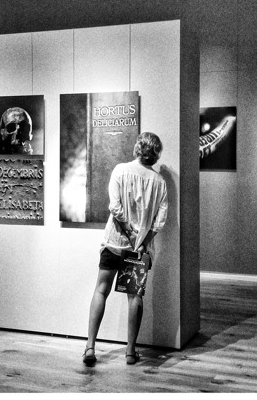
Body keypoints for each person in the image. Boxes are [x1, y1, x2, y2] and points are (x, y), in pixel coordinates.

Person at [83, 132, 168, 366]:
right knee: (135, 296)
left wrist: (128, 231)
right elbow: (160, 222)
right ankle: (130, 352)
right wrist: (141, 240)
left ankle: (90, 347)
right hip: (139, 249)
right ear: (156, 153)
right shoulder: (159, 182)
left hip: (114, 242)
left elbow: (115, 207)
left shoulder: (120, 170)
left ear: (138, 148)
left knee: (101, 290)